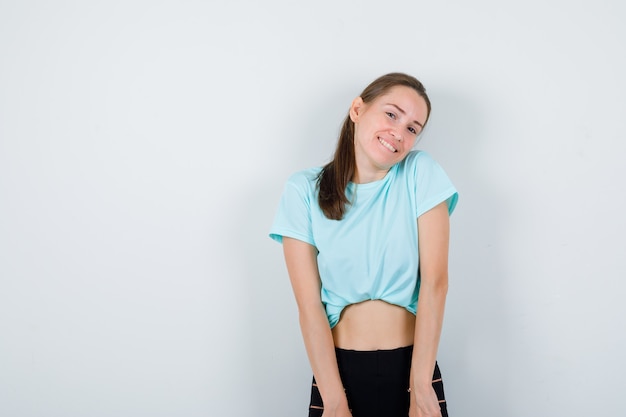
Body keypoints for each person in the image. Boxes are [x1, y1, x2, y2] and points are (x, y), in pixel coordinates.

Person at [269, 72, 458, 417]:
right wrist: (334, 400)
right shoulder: (303, 190)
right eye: (391, 114)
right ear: (357, 109)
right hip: (337, 378)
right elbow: (309, 306)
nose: (398, 133)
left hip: (413, 372)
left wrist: (420, 386)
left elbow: (436, 283)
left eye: (413, 128)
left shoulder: (420, 173)